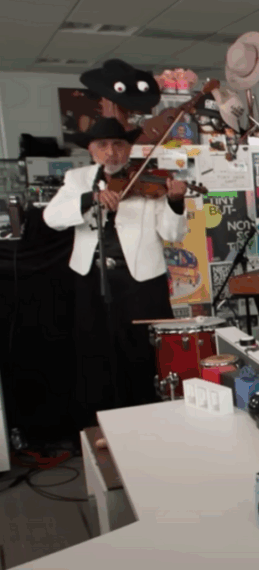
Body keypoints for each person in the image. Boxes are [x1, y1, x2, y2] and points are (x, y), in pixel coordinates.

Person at [43, 118, 189, 426]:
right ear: (90, 149)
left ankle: (150, 421)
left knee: (141, 353)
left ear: (129, 148)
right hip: (91, 278)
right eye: (103, 146)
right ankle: (104, 424)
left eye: (119, 145)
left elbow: (172, 234)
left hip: (141, 281)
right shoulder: (77, 178)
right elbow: (52, 217)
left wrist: (175, 202)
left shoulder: (150, 179)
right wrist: (89, 199)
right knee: (96, 352)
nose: (111, 153)